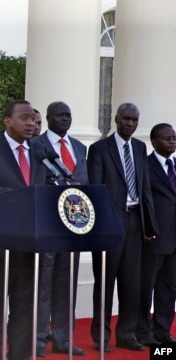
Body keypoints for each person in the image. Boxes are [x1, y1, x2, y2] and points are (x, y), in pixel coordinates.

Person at [0, 100, 47, 360]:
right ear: (7, 121)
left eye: (34, 119)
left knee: (24, 309)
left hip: (30, 243)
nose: (31, 124)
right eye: (24, 118)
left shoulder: (40, 150)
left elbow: (47, 189)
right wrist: (28, 197)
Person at [87, 102, 158, 352]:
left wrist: (150, 225)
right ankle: (101, 337)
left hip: (136, 221)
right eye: (126, 119)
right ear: (116, 119)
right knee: (105, 282)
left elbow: (145, 188)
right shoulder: (98, 149)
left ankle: (126, 334)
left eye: (134, 120)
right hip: (110, 223)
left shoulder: (140, 148)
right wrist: (99, 226)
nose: (130, 124)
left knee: (131, 283)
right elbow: (95, 190)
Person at [29, 101, 87, 357]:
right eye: (60, 115)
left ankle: (63, 339)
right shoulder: (36, 146)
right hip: (46, 227)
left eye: (68, 115)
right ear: (49, 118)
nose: (65, 119)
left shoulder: (80, 148)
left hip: (72, 229)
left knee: (67, 285)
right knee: (43, 285)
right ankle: (39, 340)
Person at [136, 123, 176, 345]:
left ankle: (163, 330)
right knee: (146, 287)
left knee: (168, 289)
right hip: (153, 236)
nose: (172, 141)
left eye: (174, 137)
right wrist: (147, 228)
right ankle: (144, 332)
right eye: (167, 138)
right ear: (154, 142)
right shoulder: (146, 165)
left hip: (174, 240)